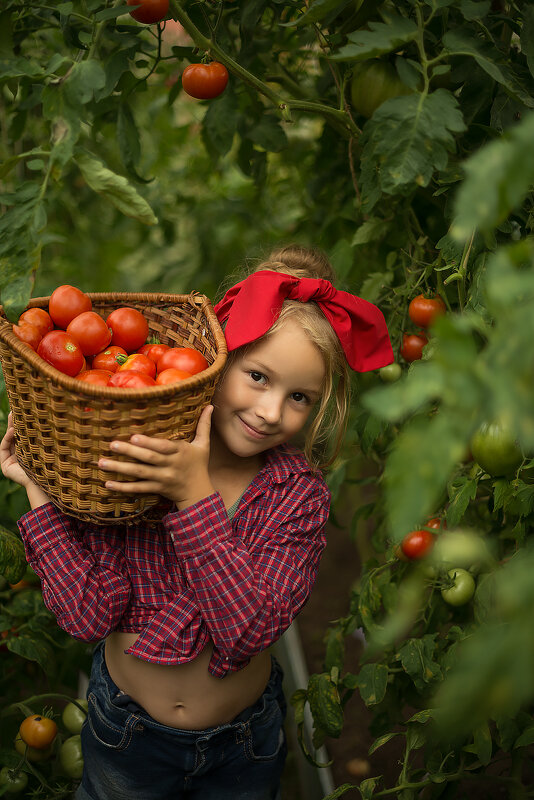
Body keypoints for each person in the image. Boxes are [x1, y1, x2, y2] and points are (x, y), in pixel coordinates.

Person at [0, 244, 393, 800]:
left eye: (299, 397)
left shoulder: (295, 495)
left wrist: (194, 497)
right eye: (258, 376)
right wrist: (39, 489)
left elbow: (249, 631)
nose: (271, 412)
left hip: (243, 744)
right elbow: (88, 616)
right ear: (216, 359)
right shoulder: (139, 462)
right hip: (127, 736)